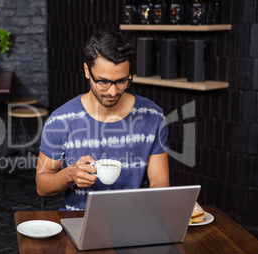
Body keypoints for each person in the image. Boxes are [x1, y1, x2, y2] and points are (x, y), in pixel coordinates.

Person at [36, 30, 170, 211]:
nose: (113, 92)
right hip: (77, 221)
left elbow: (160, 183)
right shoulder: (61, 120)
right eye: (103, 82)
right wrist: (70, 174)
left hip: (131, 220)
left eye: (122, 81)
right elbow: (42, 186)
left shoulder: (153, 116)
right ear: (86, 71)